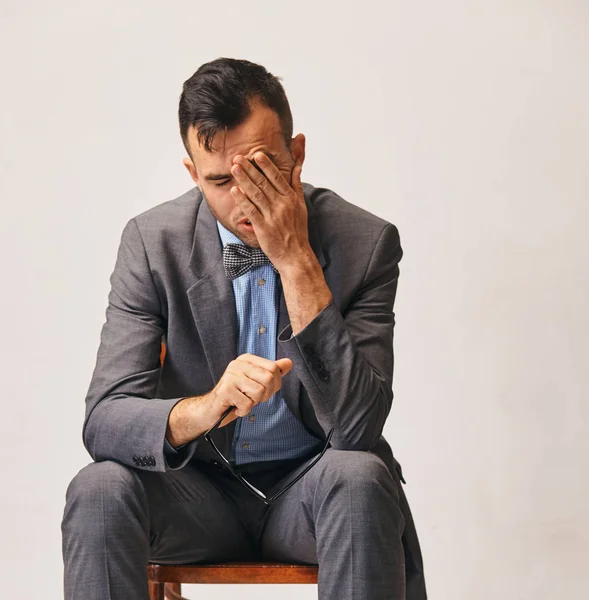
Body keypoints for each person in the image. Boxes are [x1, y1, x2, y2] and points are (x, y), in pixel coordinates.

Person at [61, 57, 427, 600]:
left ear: (296, 155)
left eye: (260, 172)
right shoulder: (151, 242)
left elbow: (357, 430)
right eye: (220, 182)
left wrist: (297, 260)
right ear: (192, 174)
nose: (244, 200)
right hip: (198, 496)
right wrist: (203, 408)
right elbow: (106, 420)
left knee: (361, 477)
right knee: (97, 488)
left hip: (316, 490)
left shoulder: (365, 243)